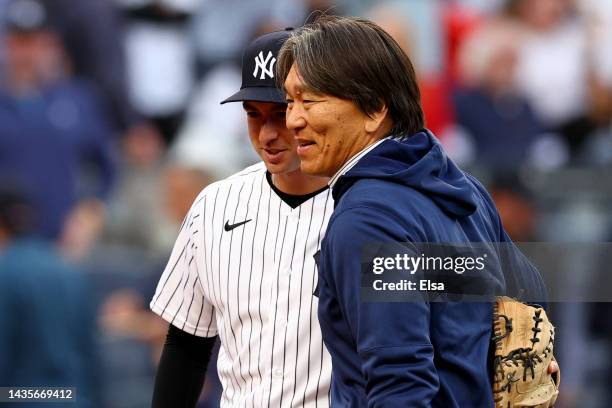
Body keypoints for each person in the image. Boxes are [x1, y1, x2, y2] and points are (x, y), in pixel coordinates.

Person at [278, 15, 549, 407]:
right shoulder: (461, 187)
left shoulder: (369, 219)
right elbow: (530, 296)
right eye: (289, 101)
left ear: (374, 110)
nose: (293, 120)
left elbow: (400, 384)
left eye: (309, 100)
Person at [150, 28, 333, 407]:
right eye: (253, 114)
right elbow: (186, 344)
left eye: (280, 114)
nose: (266, 133)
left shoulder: (374, 204)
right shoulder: (214, 205)